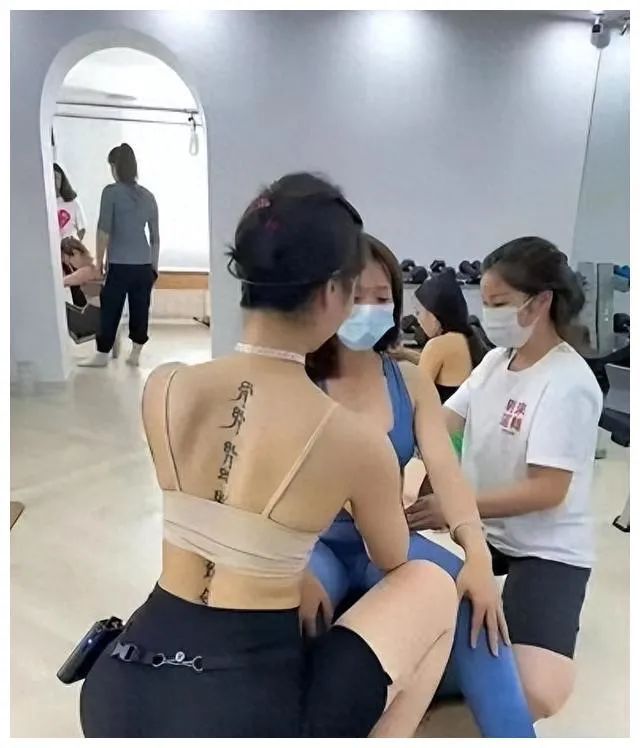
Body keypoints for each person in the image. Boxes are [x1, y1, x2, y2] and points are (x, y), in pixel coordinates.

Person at [79, 173, 458, 738]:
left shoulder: (165, 386)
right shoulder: (356, 442)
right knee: (431, 583)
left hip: (120, 692)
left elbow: (222, 516)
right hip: (246, 711)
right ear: (332, 293)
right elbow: (391, 558)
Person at [305, 235, 535, 738]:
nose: (368, 308)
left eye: (381, 296)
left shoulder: (408, 382)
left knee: (477, 602)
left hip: (389, 543)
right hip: (315, 543)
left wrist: (476, 552)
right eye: (354, 295)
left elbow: (446, 471)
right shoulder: (301, 379)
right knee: (294, 615)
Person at [413, 237, 602, 721]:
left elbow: (548, 490)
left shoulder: (568, 382)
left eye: (499, 303)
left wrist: (458, 506)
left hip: (545, 546)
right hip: (487, 530)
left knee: (536, 690)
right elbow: (442, 424)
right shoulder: (497, 361)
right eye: (486, 302)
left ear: (541, 302)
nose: (489, 315)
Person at [80, 143, 159, 369]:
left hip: (120, 264)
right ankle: (135, 354)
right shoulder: (148, 196)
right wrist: (154, 266)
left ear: (115, 166)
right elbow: (155, 237)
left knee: (110, 308)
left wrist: (99, 262)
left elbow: (103, 229)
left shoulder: (111, 192)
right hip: (144, 264)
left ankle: (102, 355)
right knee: (140, 308)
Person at [413, 268, 491, 403]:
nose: (418, 320)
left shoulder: (437, 345)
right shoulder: (462, 337)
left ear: (434, 316)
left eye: (418, 313)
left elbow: (416, 396)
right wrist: (403, 354)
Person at [54, 163, 86, 241]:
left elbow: (82, 229)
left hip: (70, 246)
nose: (54, 181)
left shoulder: (73, 203)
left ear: (62, 179)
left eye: (56, 177)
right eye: (51, 177)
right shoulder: (45, 205)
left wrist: (75, 243)